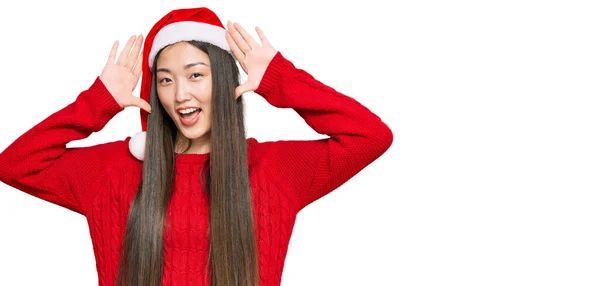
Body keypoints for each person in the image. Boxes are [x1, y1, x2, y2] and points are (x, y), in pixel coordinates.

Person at [0, 6, 393, 286]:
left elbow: (370, 136)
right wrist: (97, 101)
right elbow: (14, 165)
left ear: (223, 80)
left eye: (196, 75)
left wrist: (281, 80)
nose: (180, 94)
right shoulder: (115, 171)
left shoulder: (272, 170)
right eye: (166, 80)